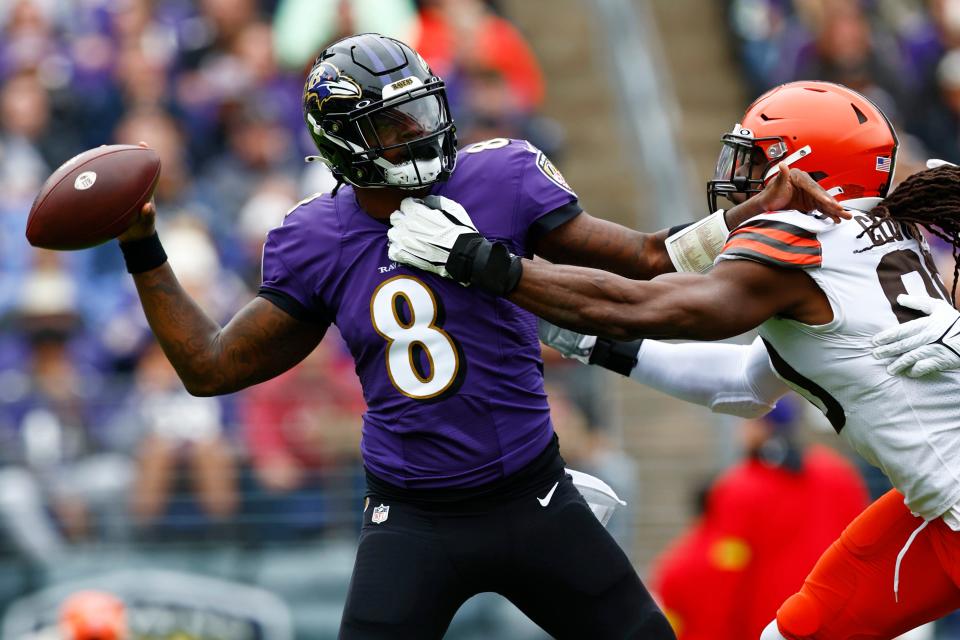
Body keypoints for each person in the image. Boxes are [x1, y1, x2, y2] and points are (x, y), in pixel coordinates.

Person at [111, 34, 844, 639]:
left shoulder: (501, 176)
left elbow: (647, 257)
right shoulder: (314, 237)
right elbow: (210, 368)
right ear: (343, 142)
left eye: (422, 110)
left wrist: (738, 220)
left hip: (533, 494)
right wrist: (143, 245)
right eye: (391, 126)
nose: (419, 132)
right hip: (411, 516)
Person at [386, 79, 960, 638]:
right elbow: (740, 383)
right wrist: (583, 340)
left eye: (759, 163)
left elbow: (652, 305)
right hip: (937, 509)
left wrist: (487, 265)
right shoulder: (874, 239)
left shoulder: (806, 241)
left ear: (811, 168)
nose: (743, 181)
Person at [650, 398, 868, 640]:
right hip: (836, 623)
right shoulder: (838, 472)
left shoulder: (741, 486)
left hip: (772, 626)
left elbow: (724, 572)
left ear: (761, 425)